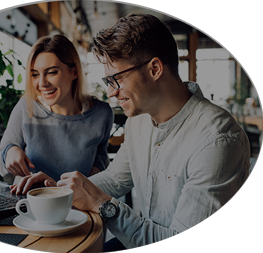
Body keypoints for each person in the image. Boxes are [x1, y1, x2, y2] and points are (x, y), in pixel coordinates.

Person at [13, 14, 251, 250]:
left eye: (116, 79)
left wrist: (102, 205)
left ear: (155, 68)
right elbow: (117, 178)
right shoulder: (138, 121)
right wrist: (57, 191)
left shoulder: (217, 140)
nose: (110, 93)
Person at [0, 34, 113, 191]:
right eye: (35, 74)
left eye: (51, 72)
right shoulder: (26, 106)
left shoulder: (102, 114)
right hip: (29, 202)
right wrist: (9, 152)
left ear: (74, 72)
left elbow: (101, 158)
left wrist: (93, 174)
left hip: (76, 203)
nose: (42, 83)